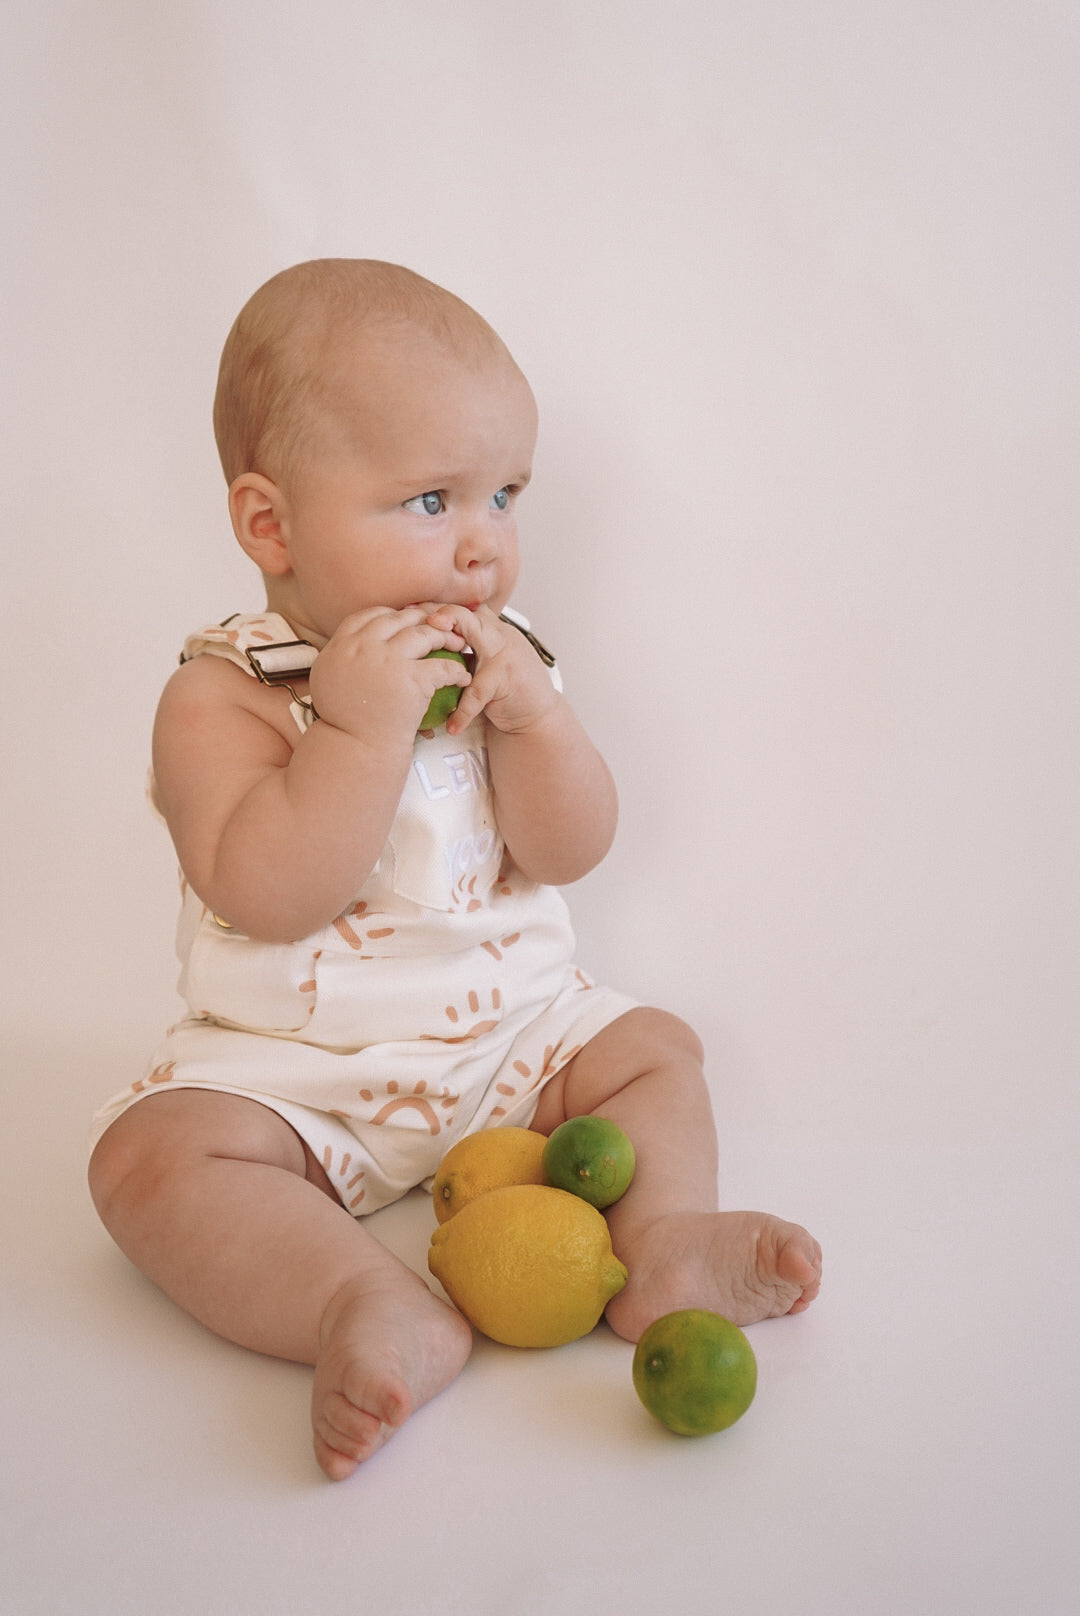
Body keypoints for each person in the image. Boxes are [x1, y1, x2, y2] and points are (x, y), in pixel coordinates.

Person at [88, 259, 821, 1481]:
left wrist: (538, 723)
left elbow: (569, 847)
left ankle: (662, 1245)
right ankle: (355, 1302)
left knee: (654, 1048)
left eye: (504, 497)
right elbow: (266, 890)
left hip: (512, 1046)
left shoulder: (503, 662)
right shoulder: (224, 691)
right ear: (271, 523)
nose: (482, 548)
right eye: (432, 500)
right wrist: (361, 733)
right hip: (296, 1075)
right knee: (145, 1163)